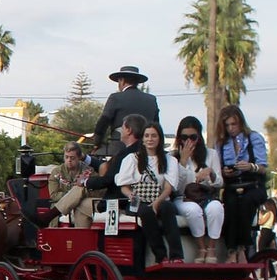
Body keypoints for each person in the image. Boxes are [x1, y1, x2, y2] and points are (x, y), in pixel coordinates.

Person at [115, 121, 184, 264]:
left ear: (160, 139)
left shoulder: (169, 160)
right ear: (143, 139)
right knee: (146, 212)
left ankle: (176, 255)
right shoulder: (133, 159)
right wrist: (131, 195)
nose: (150, 139)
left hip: (160, 198)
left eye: (154, 136)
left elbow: (168, 187)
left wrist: (157, 202)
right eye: (147, 136)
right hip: (138, 201)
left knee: (168, 208)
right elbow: (124, 186)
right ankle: (161, 256)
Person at [217, 104, 268, 263]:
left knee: (246, 203)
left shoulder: (254, 138)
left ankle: (241, 248)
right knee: (230, 206)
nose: (231, 128)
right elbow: (217, 168)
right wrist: (224, 172)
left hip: (253, 184)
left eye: (234, 124)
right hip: (232, 185)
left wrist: (250, 166)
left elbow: (263, 168)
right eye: (227, 125)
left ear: (240, 122)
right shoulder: (221, 143)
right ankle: (232, 250)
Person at [170, 116, 225, 263]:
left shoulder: (211, 154)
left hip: (205, 196)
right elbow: (176, 186)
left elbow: (219, 182)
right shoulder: (172, 157)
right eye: (184, 137)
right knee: (193, 210)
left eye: (193, 137)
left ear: (199, 137)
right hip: (183, 198)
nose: (188, 141)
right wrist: (182, 161)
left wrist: (211, 173)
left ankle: (211, 248)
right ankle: (201, 248)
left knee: (216, 208)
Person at [91, 66, 160, 156]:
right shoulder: (151, 99)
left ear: (122, 80)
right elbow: (156, 124)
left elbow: (103, 122)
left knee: (94, 158)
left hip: (118, 147)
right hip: (145, 148)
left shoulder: (115, 97)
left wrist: (97, 143)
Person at [34, 141, 100, 228]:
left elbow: (96, 192)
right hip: (61, 206)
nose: (69, 160)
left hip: (82, 205)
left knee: (81, 196)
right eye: (66, 157)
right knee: (78, 193)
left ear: (79, 157)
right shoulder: (56, 172)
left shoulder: (89, 171)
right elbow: (54, 195)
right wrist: (72, 195)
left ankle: (47, 217)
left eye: (72, 158)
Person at [83, 113, 147, 200]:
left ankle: (59, 211)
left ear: (129, 130)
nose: (120, 131)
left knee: (80, 205)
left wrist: (85, 182)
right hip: (131, 199)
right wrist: (84, 158)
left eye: (122, 128)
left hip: (118, 202)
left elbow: (108, 180)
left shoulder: (126, 154)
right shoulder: (144, 151)